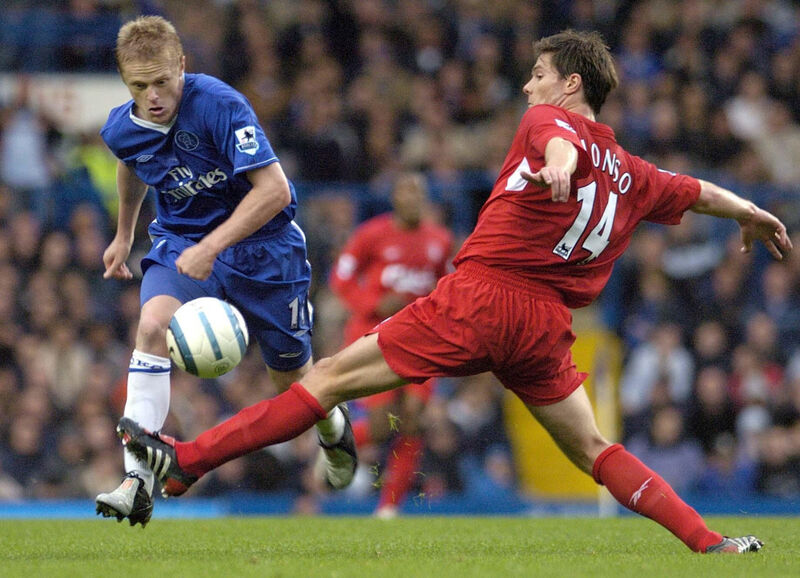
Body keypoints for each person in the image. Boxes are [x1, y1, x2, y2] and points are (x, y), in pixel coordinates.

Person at [117, 30, 790, 552]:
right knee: (592, 449)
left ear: (570, 83)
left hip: (484, 298)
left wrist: (557, 165)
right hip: (547, 326)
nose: (528, 89)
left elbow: (560, 144)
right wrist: (750, 212)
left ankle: (184, 463)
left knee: (323, 382)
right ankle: (711, 541)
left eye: (537, 76)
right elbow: (697, 191)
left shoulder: (550, 124)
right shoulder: (636, 172)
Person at [94, 15, 357, 527]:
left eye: (162, 82)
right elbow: (132, 163)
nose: (152, 97)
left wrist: (213, 246)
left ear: (183, 67)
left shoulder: (220, 104)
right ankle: (137, 482)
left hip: (264, 249)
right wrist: (125, 234)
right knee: (150, 327)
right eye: (138, 86)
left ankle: (333, 427)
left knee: (292, 380)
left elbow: (275, 191)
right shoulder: (121, 127)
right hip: (182, 242)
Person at [328, 172, 453, 517]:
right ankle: (333, 443)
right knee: (383, 426)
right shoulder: (371, 234)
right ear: (395, 199)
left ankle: (389, 509)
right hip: (378, 336)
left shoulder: (440, 241)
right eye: (406, 192)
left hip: (424, 339)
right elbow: (341, 276)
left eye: (418, 193)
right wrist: (372, 303)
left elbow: (447, 286)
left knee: (413, 418)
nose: (412, 199)